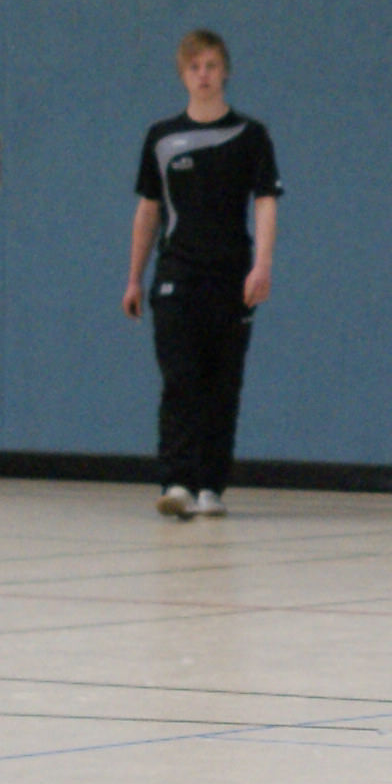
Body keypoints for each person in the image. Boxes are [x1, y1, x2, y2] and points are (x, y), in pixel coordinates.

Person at [124, 31, 282, 521]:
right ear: (183, 75)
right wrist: (133, 278)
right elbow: (148, 210)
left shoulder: (251, 136)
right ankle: (177, 482)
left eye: (212, 65)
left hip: (232, 279)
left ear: (225, 71)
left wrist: (262, 264)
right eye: (195, 67)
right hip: (177, 277)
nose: (204, 75)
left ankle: (211, 485)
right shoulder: (161, 138)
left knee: (222, 385)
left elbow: (265, 201)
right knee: (180, 379)